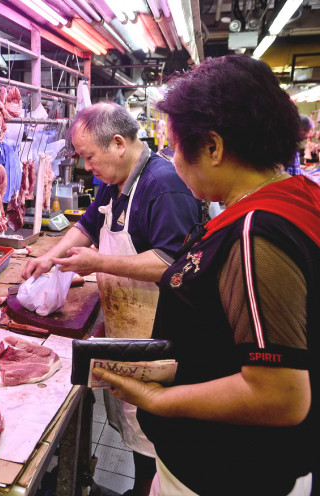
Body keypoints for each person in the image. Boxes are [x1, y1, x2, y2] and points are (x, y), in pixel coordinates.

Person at [92, 55, 318, 496]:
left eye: (176, 145)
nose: (172, 159)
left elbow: (282, 394)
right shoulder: (294, 198)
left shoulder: (257, 230)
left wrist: (160, 402)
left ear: (213, 147)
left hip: (228, 475)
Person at [22, 102, 201, 496]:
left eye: (89, 156)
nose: (87, 168)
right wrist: (51, 257)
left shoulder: (163, 184)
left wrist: (98, 262)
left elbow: (171, 263)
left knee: (155, 438)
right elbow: (86, 226)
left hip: (159, 335)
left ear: (118, 143)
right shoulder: (115, 181)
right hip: (129, 328)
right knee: (135, 431)